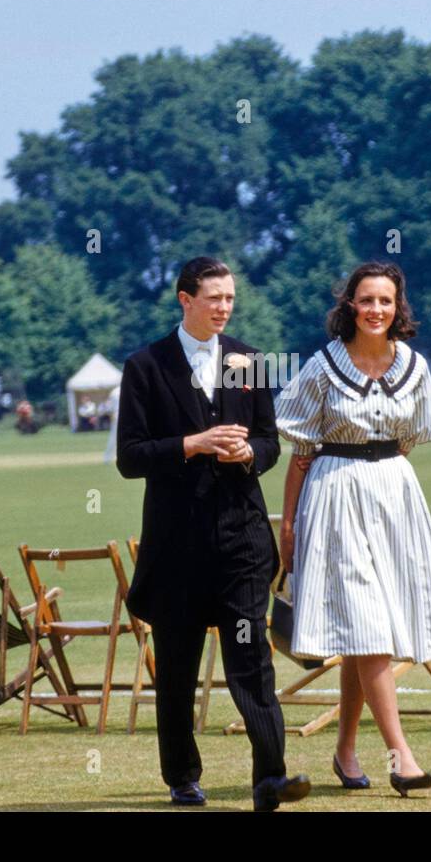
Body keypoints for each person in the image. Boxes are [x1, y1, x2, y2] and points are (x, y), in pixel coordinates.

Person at [117, 255, 309, 812]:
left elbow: (273, 441)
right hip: (176, 546)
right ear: (185, 299)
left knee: (252, 660)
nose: (225, 307)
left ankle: (269, 779)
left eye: (230, 298)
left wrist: (252, 452)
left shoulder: (248, 361)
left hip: (242, 539)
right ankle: (182, 777)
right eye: (214, 298)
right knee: (176, 667)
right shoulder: (146, 366)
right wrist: (192, 444)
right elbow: (130, 459)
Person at [275, 261, 431, 798]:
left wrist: (381, 469)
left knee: (368, 631)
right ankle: (400, 756)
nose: (375, 309)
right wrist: (288, 525)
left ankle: (345, 750)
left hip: (394, 495)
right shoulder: (321, 367)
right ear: (349, 307)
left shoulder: (414, 367)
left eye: (385, 300)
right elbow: (301, 452)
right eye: (366, 300)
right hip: (334, 492)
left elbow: (410, 437)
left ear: (397, 307)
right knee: (368, 624)